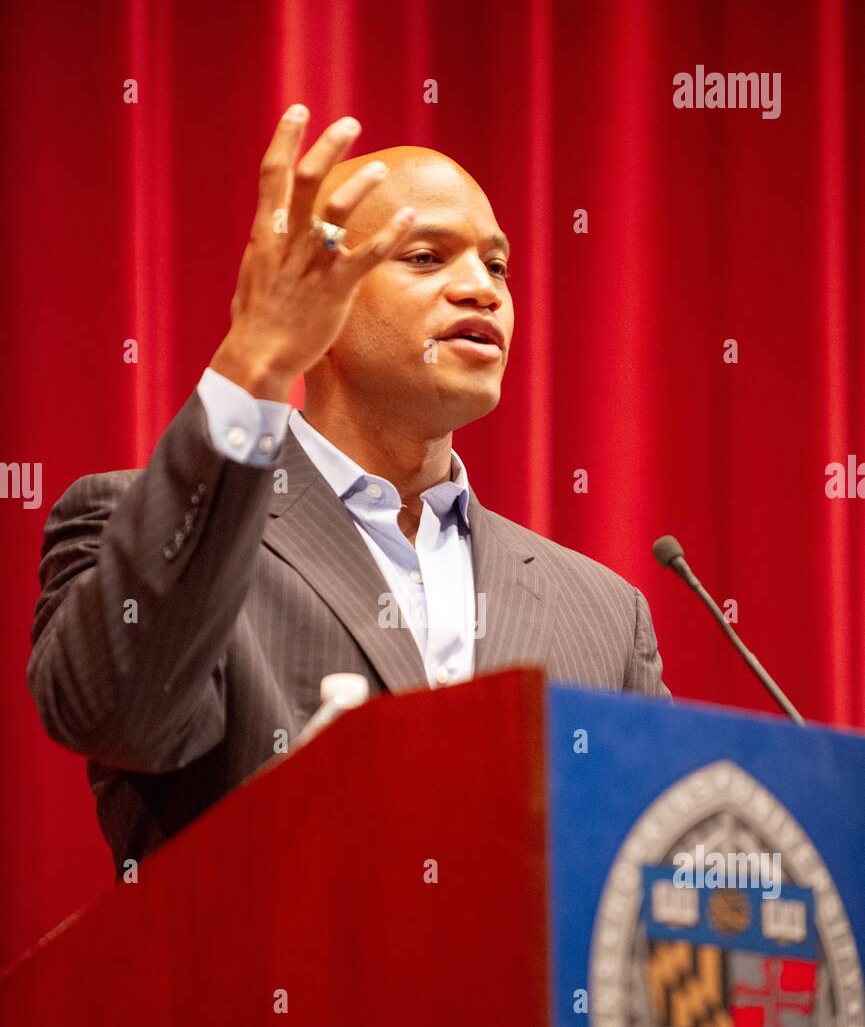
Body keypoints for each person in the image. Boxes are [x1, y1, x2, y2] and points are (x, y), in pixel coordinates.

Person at [27, 105, 669, 872]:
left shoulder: (602, 610)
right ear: (318, 296)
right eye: (427, 257)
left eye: (495, 265)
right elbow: (114, 713)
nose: (482, 289)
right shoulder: (137, 524)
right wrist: (251, 366)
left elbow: (647, 873)